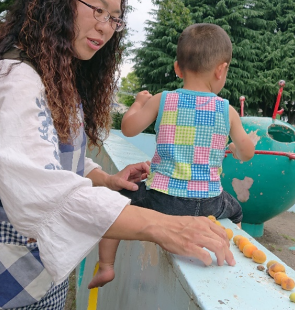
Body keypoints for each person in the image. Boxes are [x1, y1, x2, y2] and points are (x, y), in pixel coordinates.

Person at [0, 0, 234, 310]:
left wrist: (105, 179)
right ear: (58, 0)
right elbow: (37, 190)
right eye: (97, 9)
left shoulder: (59, 78)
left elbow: (57, 158)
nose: (105, 27)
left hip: (41, 280)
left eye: (114, 18)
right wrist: (163, 226)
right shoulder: (14, 79)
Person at [88, 23, 257, 289]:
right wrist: (237, 148)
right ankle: (230, 251)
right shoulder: (227, 110)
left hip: (163, 200)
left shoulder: (163, 99)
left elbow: (129, 128)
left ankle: (107, 266)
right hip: (211, 202)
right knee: (236, 211)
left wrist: (138, 103)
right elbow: (247, 153)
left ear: (177, 68)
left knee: (114, 206)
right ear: (221, 70)